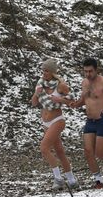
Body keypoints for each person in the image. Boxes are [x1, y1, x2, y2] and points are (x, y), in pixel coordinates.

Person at [59, 58, 103, 188]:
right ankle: (99, 180)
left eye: (90, 71)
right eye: (85, 71)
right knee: (88, 152)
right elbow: (84, 99)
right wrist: (75, 104)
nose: (88, 74)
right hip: (90, 120)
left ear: (96, 70)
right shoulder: (84, 83)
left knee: (101, 153)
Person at [30, 59, 79, 190]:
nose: (44, 73)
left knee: (44, 147)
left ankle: (58, 179)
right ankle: (72, 180)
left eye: (46, 70)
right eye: (43, 70)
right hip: (45, 122)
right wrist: (36, 93)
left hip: (57, 120)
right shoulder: (40, 83)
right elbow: (34, 103)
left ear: (52, 72)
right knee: (59, 151)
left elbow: (72, 101)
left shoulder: (60, 85)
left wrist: (60, 99)